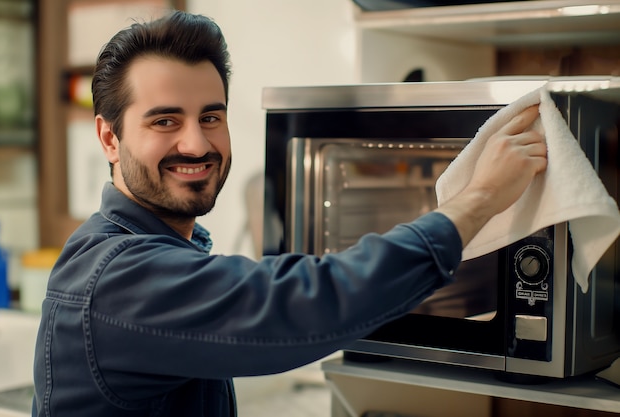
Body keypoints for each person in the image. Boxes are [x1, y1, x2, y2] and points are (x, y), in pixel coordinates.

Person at [32, 10, 546, 417]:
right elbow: (302, 301)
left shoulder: (151, 249)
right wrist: (477, 199)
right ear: (109, 137)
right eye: (165, 120)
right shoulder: (116, 277)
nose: (196, 142)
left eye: (211, 116)